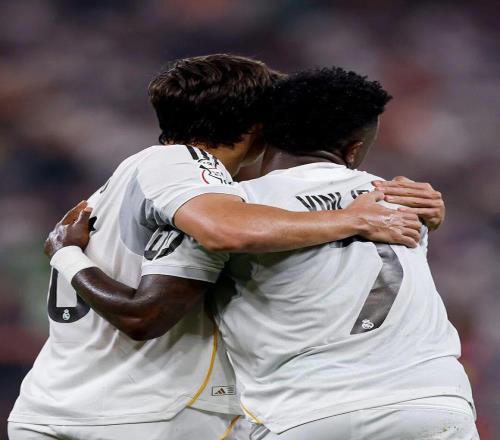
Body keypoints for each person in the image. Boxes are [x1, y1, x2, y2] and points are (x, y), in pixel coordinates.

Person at [8, 55, 422, 440]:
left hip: (53, 405)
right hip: (150, 410)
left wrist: (67, 256)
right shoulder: (183, 167)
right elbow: (221, 234)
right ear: (258, 125)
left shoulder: (124, 184)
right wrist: (354, 219)